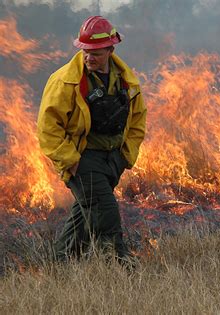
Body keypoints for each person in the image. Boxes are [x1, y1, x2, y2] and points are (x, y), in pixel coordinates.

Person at [37, 16, 146, 262]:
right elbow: (48, 127)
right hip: (82, 160)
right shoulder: (65, 81)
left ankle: (61, 264)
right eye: (85, 51)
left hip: (112, 160)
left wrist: (125, 156)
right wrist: (70, 160)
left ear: (110, 49)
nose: (89, 57)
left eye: (96, 52)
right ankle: (121, 267)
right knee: (105, 214)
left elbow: (138, 119)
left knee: (84, 216)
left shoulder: (126, 82)